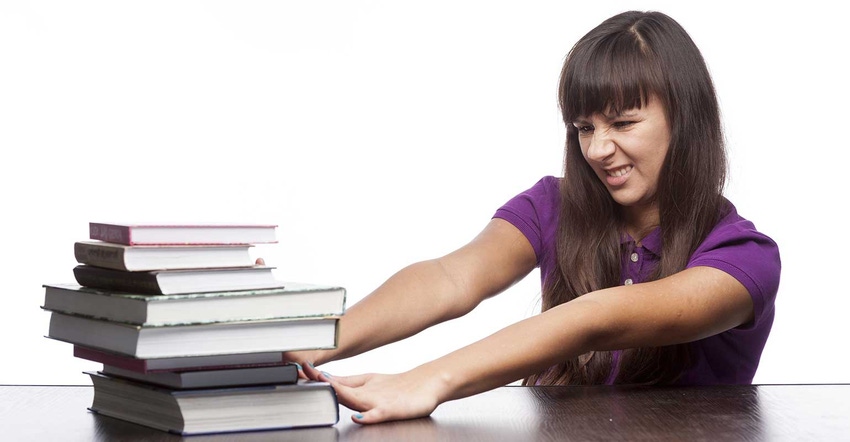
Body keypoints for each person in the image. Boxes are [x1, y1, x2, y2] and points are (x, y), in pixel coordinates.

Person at [281, 10, 781, 424]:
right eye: (584, 127)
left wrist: (428, 379)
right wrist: (315, 343)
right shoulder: (551, 206)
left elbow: (596, 319)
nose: (599, 148)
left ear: (686, 118)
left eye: (624, 122)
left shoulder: (744, 259)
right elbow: (453, 277)